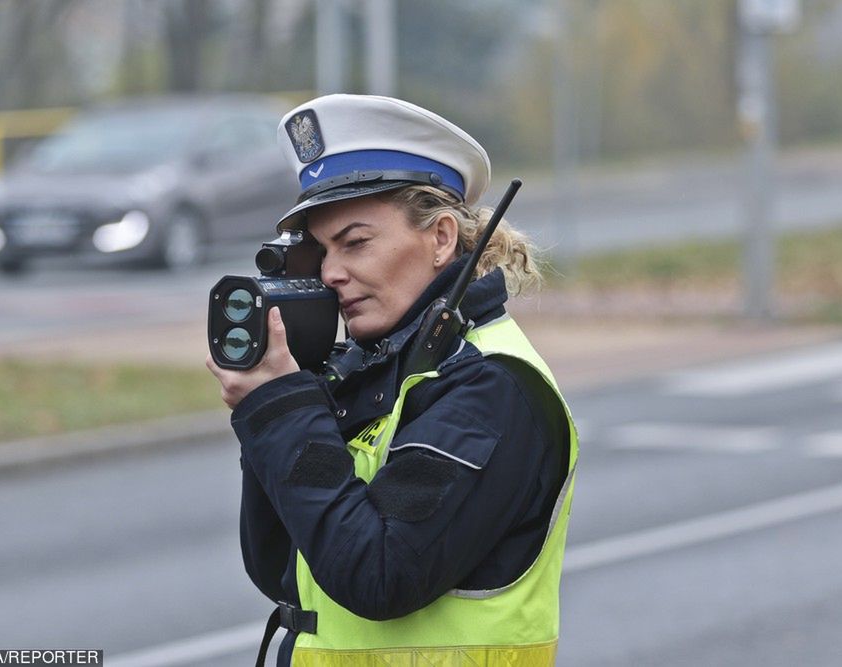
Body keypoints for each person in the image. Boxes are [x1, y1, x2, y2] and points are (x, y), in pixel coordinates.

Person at [206, 94, 579, 666]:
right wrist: (284, 395)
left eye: (355, 243)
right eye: (321, 250)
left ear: (441, 238)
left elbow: (378, 574)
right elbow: (280, 565)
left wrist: (283, 410)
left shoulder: (491, 386)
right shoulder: (377, 366)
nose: (331, 272)